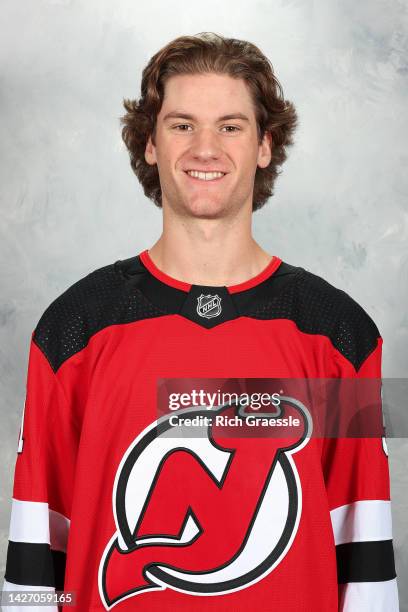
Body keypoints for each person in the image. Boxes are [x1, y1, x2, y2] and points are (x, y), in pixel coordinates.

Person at [2, 32, 399, 611]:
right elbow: (39, 554)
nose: (205, 148)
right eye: (182, 124)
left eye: (231, 126)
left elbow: (363, 555)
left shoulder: (340, 335)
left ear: (265, 145)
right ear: (150, 145)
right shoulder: (74, 330)